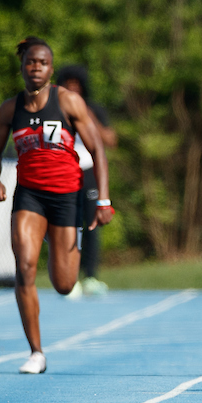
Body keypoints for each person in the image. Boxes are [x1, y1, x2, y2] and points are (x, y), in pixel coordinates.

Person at [0, 37, 114, 374]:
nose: (36, 68)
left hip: (66, 196)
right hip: (29, 195)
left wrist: (103, 199)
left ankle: (58, 239)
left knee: (64, 284)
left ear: (51, 68)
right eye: (31, 62)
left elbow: (98, 149)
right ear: (23, 67)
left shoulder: (68, 101)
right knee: (25, 267)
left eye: (42, 63)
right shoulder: (10, 110)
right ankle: (36, 352)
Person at [56, 65, 118, 297]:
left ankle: (91, 276)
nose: (72, 89)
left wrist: (88, 116)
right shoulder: (54, 110)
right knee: (67, 225)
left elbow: (111, 140)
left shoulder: (93, 110)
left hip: (88, 171)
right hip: (62, 171)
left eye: (77, 85)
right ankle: (69, 277)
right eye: (67, 84)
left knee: (91, 225)